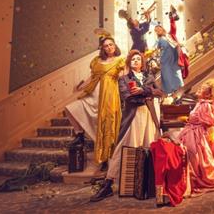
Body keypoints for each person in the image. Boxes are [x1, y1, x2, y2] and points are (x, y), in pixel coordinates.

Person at [90, 50, 163, 202]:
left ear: (142, 62)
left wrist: (143, 90)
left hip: (150, 116)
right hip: (134, 117)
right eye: (133, 59)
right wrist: (147, 96)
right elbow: (127, 97)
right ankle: (108, 184)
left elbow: (160, 92)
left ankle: (148, 185)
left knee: (150, 148)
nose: (136, 61)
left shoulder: (149, 77)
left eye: (138, 59)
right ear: (129, 63)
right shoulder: (124, 79)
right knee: (125, 148)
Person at [64, 34, 125, 172]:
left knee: (105, 127)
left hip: (109, 96)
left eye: (111, 45)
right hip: (93, 94)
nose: (109, 47)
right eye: (106, 46)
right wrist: (80, 87)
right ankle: (79, 134)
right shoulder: (97, 61)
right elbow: (92, 77)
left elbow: (123, 78)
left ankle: (107, 159)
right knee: (70, 108)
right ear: (103, 48)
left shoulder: (120, 60)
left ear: (115, 46)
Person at [176, 78, 214, 195]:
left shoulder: (206, 105)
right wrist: (188, 119)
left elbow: (211, 123)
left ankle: (199, 179)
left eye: (202, 88)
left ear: (209, 93)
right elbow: (198, 118)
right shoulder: (200, 103)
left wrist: (213, 138)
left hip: (200, 135)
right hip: (192, 131)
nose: (199, 89)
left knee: (194, 153)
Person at [154, 24, 184, 96]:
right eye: (156, 30)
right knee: (167, 75)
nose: (158, 31)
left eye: (159, 29)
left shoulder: (168, 36)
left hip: (173, 58)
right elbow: (155, 50)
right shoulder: (158, 40)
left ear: (162, 28)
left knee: (175, 74)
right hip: (165, 59)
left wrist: (179, 46)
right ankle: (170, 92)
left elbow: (175, 44)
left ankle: (178, 91)